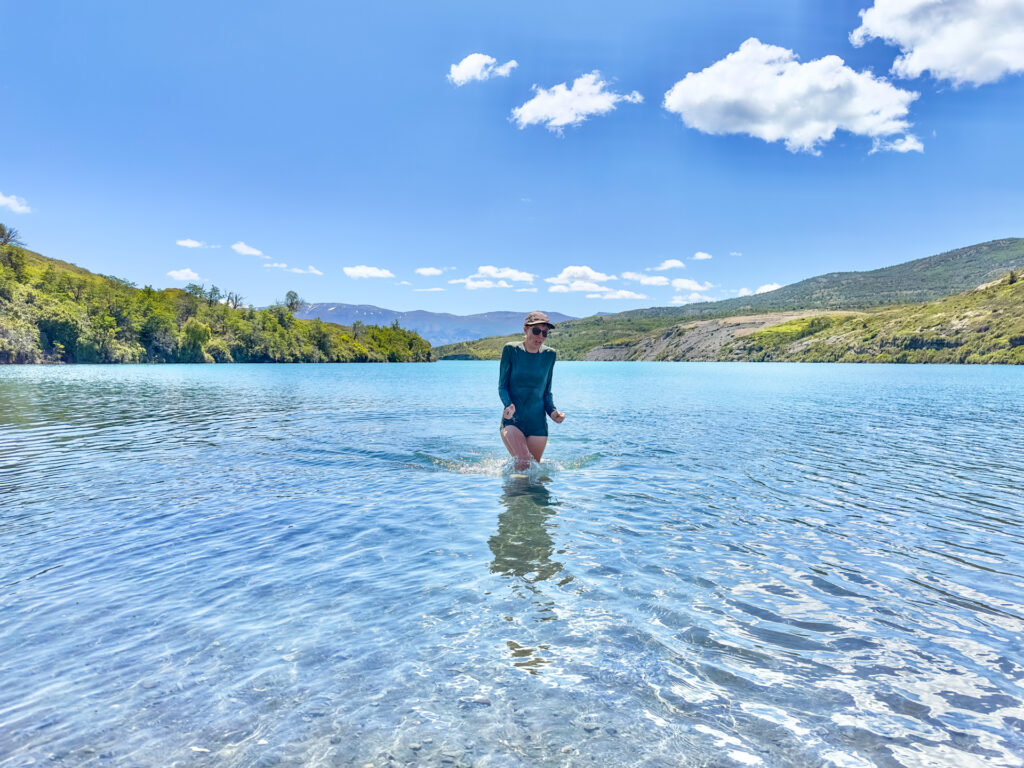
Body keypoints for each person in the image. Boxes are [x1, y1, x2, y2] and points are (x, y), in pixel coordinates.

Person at [498, 311, 566, 470]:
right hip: (513, 420)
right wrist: (508, 405)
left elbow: (546, 391)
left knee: (533, 472)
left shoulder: (550, 355)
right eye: (536, 331)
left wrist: (553, 412)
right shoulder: (510, 350)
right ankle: (510, 493)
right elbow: (502, 386)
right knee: (523, 462)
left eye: (545, 333)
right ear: (525, 329)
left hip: (538, 424)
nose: (540, 336)